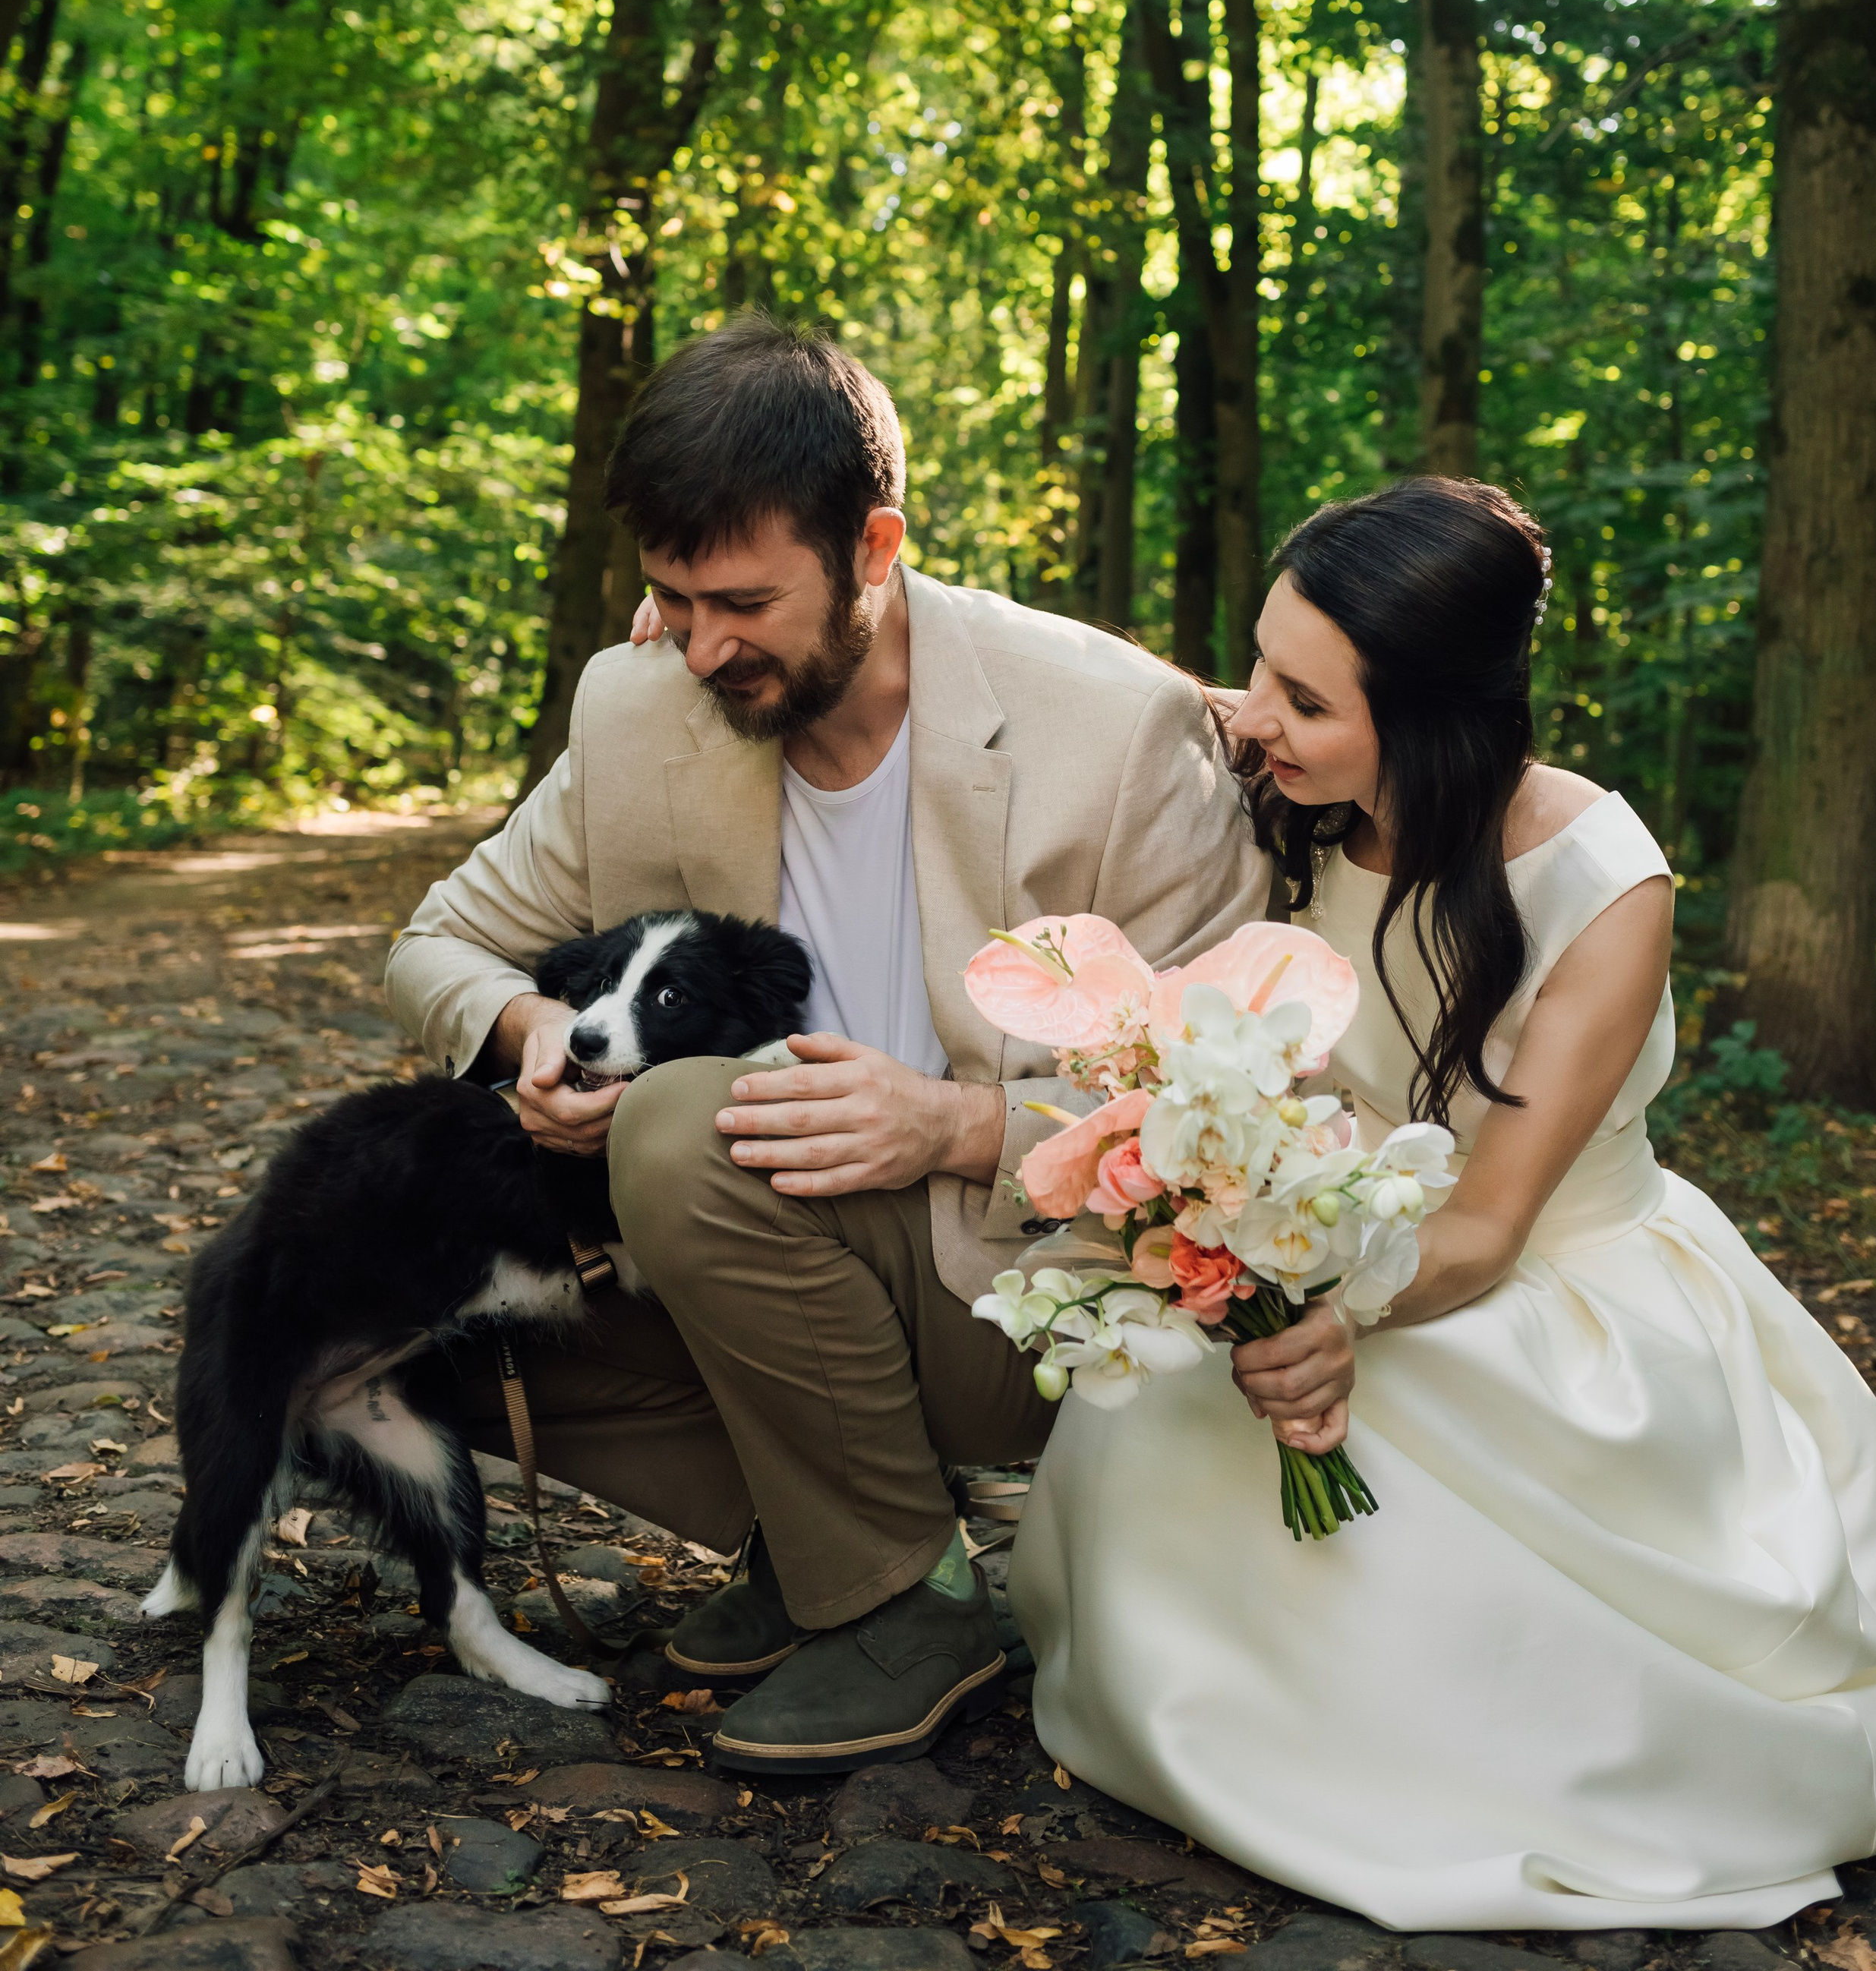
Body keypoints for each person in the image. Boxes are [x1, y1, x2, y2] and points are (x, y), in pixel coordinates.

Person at [1013, 475, 1876, 1931]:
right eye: (1261, 661)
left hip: (1541, 1288)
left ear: (1434, 719)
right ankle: (1220, 1710)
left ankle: (1426, 1742)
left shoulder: (1603, 883)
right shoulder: (1299, 768)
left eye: (1303, 698)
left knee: (1351, 1462)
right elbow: (1074, 670)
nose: (1255, 712)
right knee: (1182, 1407)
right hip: (1338, 1232)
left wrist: (1324, 1311)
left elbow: (1490, 1229)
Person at [386, 314, 1265, 1770]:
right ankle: (821, 1548)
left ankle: (906, 1601)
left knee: (678, 1127)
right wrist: (537, 1032)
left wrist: (959, 1124)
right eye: (670, 596)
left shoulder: (1111, 733)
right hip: (752, 1275)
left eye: (740, 601)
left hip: (1022, 1300)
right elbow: (438, 942)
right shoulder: (642, 701)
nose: (700, 645)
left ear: (875, 547)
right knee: (387, 1305)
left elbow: (1247, 1107)